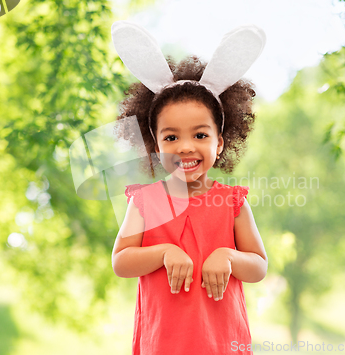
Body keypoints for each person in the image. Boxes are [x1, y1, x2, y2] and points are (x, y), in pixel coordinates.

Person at [110, 21, 268, 355]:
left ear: (220, 142)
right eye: (171, 137)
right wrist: (164, 252)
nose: (185, 147)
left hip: (222, 343)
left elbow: (258, 266)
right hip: (162, 344)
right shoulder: (144, 202)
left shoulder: (233, 204)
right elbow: (122, 261)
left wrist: (227, 255)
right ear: (155, 144)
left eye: (200, 135)